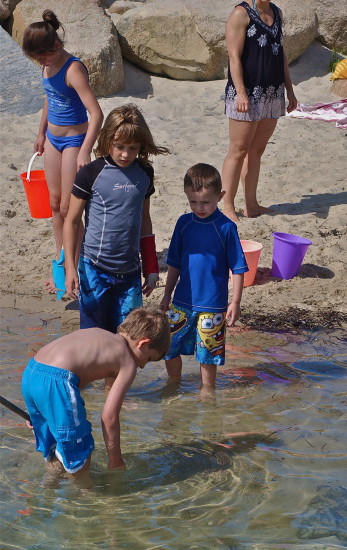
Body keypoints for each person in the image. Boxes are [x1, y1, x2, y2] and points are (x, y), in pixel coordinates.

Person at [64, 104, 170, 369]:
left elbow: (145, 220)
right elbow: (72, 221)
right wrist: (70, 268)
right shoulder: (91, 173)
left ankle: (114, 390)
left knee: (127, 342)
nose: (126, 154)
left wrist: (151, 267)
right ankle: (88, 385)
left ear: (141, 145)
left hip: (129, 273)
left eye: (133, 148)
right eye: (119, 146)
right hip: (94, 269)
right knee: (93, 340)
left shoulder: (144, 173)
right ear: (107, 140)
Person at [21, 308, 171, 476]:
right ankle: (85, 490)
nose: (143, 366)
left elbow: (69, 367)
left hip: (31, 372)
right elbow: (109, 417)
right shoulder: (127, 363)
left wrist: (40, 408)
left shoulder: (98, 333)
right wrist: (115, 460)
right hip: (58, 381)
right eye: (149, 358)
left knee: (58, 445)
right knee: (81, 452)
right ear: (143, 344)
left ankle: (50, 485)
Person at [22, 9, 103, 292]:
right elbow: (50, 97)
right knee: (55, 204)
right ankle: (61, 267)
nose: (40, 63)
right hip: (53, 141)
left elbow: (97, 114)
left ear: (56, 46)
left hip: (74, 142)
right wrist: (41, 132)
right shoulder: (46, 65)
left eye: (42, 57)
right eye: (36, 59)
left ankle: (75, 267)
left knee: (71, 209)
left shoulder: (73, 69)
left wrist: (85, 151)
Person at [159, 163, 248, 389]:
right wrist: (167, 295)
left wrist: (235, 302)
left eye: (205, 202)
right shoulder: (184, 223)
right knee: (168, 346)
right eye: (193, 202)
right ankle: (173, 384)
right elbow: (174, 263)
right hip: (182, 302)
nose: (199, 207)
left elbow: (238, 268)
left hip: (213, 306)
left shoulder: (226, 227)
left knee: (208, 353)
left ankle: (208, 392)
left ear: (220, 196)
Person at [221, 0, 297, 221]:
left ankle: (251, 205)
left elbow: (281, 54)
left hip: (272, 91)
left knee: (257, 150)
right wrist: (241, 92)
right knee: (238, 150)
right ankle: (227, 206)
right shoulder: (240, 13)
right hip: (246, 92)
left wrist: (290, 90)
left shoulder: (277, 13)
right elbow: (233, 57)